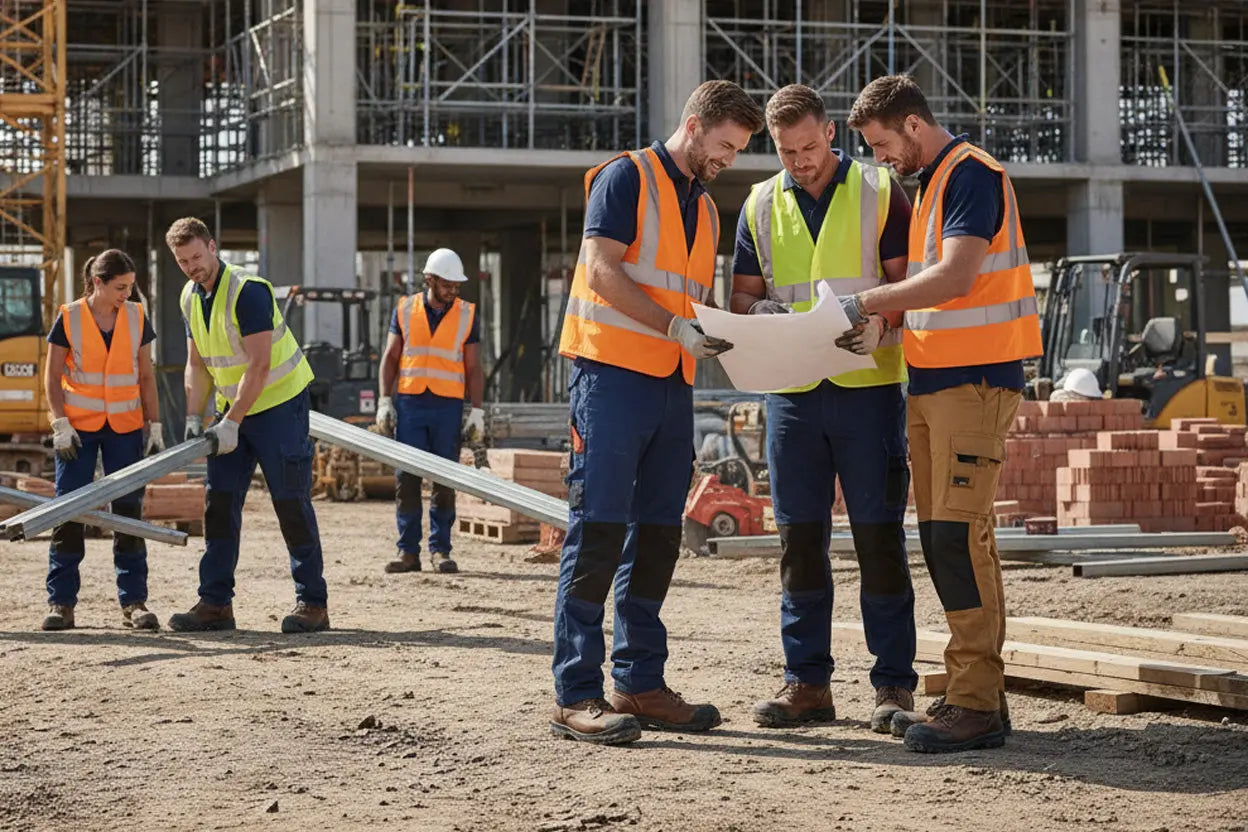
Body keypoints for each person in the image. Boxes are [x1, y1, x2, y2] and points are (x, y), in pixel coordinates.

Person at [549, 80, 764, 746]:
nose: (728, 160)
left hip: (672, 386)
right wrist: (675, 327)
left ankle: (639, 682)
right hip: (610, 378)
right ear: (695, 125)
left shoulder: (704, 208)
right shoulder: (625, 178)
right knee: (599, 529)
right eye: (724, 146)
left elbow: (693, 297)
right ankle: (576, 693)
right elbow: (603, 271)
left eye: (737, 151)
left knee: (658, 535)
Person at [842, 75, 1042, 752]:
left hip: (975, 382)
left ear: (914, 125)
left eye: (882, 144)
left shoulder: (971, 175)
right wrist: (890, 322)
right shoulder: (933, 185)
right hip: (935, 383)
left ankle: (976, 703)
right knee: (945, 539)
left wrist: (869, 302)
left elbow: (958, 277)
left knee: (958, 539)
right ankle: (971, 696)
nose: (881, 159)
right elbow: (940, 297)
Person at [729, 84, 918, 732]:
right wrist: (760, 312)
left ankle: (893, 685)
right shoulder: (757, 204)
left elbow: (905, 283)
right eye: (786, 151)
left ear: (830, 133)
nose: (800, 161)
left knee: (878, 539)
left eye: (809, 147)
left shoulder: (879, 190)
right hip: (792, 396)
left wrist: (882, 325)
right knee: (798, 541)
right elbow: (743, 295)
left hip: (867, 391)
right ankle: (807, 684)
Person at [164, 217, 328, 634]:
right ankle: (215, 603)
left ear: (213, 247)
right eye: (182, 261)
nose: (191, 267)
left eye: (197, 257)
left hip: (279, 407)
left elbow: (259, 365)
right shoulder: (189, 296)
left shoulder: (249, 291)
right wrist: (193, 418)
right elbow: (197, 364)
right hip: (232, 413)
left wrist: (231, 422)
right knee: (218, 503)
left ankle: (313, 603)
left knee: (290, 502)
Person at [40, 249, 163, 631]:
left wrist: (154, 425)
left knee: (128, 510)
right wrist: (59, 423)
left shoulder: (137, 316)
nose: (128, 293)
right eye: (120, 287)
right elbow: (52, 377)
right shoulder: (69, 317)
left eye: (131, 286)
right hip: (77, 429)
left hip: (125, 427)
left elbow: (145, 376)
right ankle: (61, 603)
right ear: (97, 283)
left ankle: (135, 602)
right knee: (69, 510)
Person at [375, 247, 484, 575]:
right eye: (447, 284)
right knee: (406, 477)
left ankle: (441, 549)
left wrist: (477, 411)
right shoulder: (405, 309)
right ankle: (408, 551)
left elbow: (475, 366)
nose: (452, 291)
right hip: (410, 404)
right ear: (430, 280)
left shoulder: (467, 313)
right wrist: (384, 400)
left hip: (448, 406)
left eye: (456, 286)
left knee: (444, 479)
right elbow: (391, 357)